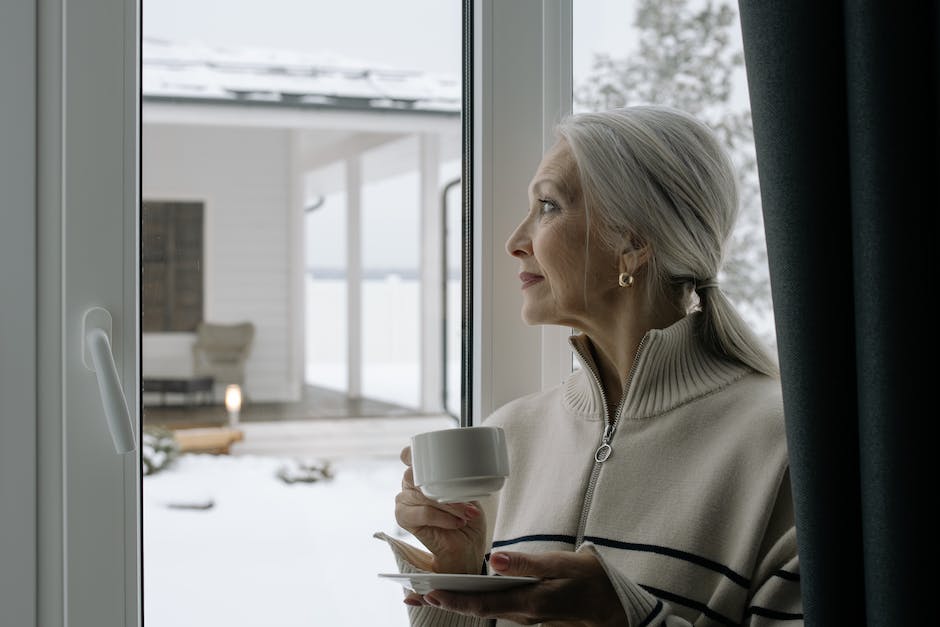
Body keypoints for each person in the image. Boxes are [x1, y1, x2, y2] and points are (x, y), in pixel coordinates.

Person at [375, 105, 801, 626]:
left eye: (548, 206)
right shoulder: (510, 435)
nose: (515, 242)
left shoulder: (787, 450)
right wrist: (455, 579)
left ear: (633, 242)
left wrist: (632, 620)